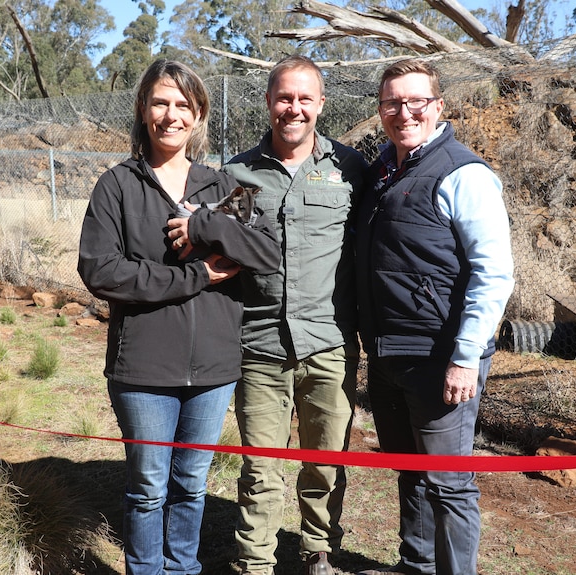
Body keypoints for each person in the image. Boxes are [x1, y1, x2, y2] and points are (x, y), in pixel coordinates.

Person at [77, 59, 280, 575]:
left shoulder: (220, 186)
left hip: (213, 368)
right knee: (148, 487)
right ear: (144, 109)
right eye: (161, 102)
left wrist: (206, 223)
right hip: (143, 369)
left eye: (183, 105)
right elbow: (101, 272)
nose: (171, 115)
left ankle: (183, 569)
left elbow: (266, 253)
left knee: (191, 485)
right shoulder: (117, 186)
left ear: (199, 115)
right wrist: (194, 277)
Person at [354, 58, 515, 575]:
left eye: (415, 101)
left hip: (440, 359)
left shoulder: (464, 174)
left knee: (448, 482)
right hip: (388, 352)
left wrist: (465, 359)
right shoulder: (384, 168)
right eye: (392, 103)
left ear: (438, 106)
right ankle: (416, 565)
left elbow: (494, 274)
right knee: (411, 472)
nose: (403, 112)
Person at [222, 54, 368, 575]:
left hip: (329, 345)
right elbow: (220, 254)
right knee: (261, 470)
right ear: (268, 102)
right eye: (285, 97)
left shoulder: (350, 169)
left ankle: (317, 553)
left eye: (305, 98)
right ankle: (255, 563)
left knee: (325, 463)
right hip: (259, 344)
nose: (294, 108)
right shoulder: (236, 172)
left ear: (321, 104)